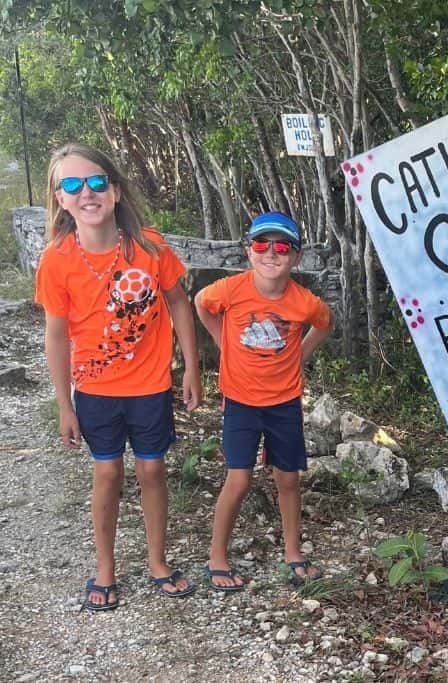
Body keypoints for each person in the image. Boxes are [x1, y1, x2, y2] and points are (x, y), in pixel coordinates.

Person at [36, 143, 203, 611]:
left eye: (95, 181)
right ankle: (105, 567)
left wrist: (191, 366)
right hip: (94, 390)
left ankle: (157, 561)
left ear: (114, 190)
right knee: (107, 473)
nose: (85, 192)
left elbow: (178, 303)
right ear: (60, 199)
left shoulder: (148, 246)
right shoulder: (57, 260)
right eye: (71, 184)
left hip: (150, 385)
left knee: (152, 469)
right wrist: (65, 405)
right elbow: (56, 335)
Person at [195, 212, 331, 591]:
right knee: (238, 480)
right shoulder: (231, 290)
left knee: (287, 479)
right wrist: (224, 345)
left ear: (296, 257)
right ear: (249, 252)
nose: (271, 253)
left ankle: (292, 552)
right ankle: (217, 556)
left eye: (282, 246)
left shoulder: (304, 302)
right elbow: (200, 303)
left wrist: (298, 355)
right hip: (240, 402)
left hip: (284, 403)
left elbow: (324, 324)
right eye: (261, 244)